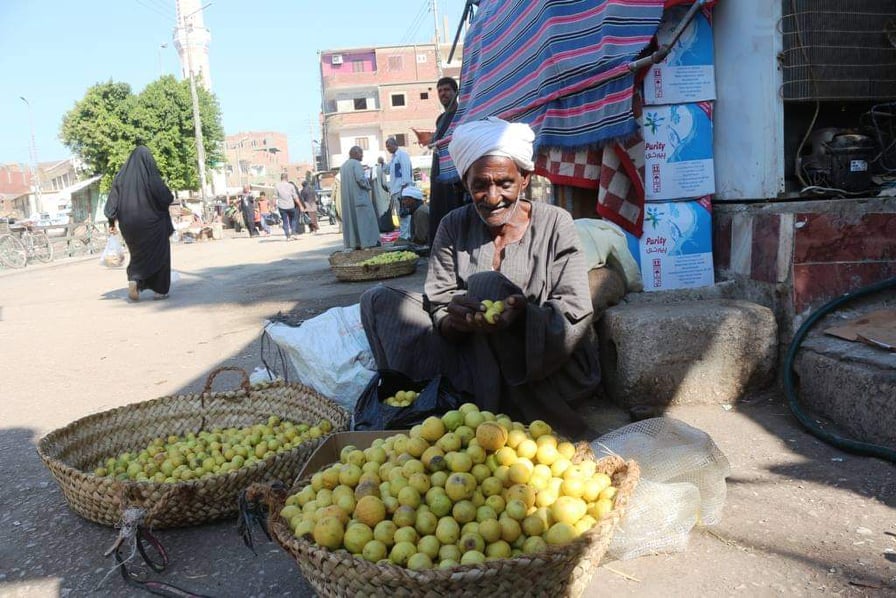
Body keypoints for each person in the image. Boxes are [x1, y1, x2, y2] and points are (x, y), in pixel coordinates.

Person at [361, 117, 600, 437]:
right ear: (465, 183)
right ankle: (431, 404)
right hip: (469, 356)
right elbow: (440, 300)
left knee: (486, 285)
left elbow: (573, 309)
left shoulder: (555, 223)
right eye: (480, 185)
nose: (492, 196)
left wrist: (522, 317)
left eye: (504, 183)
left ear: (525, 178)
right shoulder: (452, 226)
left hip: (541, 365)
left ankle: (489, 418)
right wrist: (453, 320)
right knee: (378, 302)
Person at [104, 142, 175, 302]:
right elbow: (164, 197)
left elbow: (110, 206)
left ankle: (134, 279)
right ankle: (160, 290)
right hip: (152, 224)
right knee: (160, 254)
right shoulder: (150, 175)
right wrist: (168, 198)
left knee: (138, 255)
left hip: (129, 226)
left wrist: (111, 223)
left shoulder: (120, 177)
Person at [428, 76, 466, 243]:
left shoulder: (463, 114)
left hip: (455, 174)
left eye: (447, 90)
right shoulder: (440, 119)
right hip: (439, 174)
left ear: (455, 92)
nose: (443, 93)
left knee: (456, 212)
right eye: (440, 91)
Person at [339, 146, 380, 250]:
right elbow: (360, 179)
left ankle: (354, 243)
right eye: (361, 153)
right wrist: (368, 184)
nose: (362, 156)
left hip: (348, 201)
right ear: (355, 153)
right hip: (360, 198)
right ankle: (368, 243)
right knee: (365, 221)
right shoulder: (356, 164)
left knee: (353, 222)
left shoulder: (343, 166)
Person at [384, 137, 414, 239]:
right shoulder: (393, 157)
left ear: (395, 144)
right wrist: (382, 163)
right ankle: (404, 235)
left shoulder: (402, 155)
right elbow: (387, 170)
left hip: (402, 190)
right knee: (401, 215)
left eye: (388, 146)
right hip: (396, 191)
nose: (387, 148)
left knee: (404, 215)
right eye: (386, 147)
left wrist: (404, 190)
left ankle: (405, 237)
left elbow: (406, 172)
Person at [274, 172, 300, 241]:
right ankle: (293, 233)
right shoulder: (291, 186)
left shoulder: (277, 186)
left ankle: (287, 236)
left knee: (285, 221)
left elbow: (275, 197)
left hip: (282, 206)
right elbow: (295, 197)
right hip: (291, 206)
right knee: (293, 220)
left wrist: (274, 206)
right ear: (287, 178)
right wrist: (301, 205)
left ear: (281, 178)